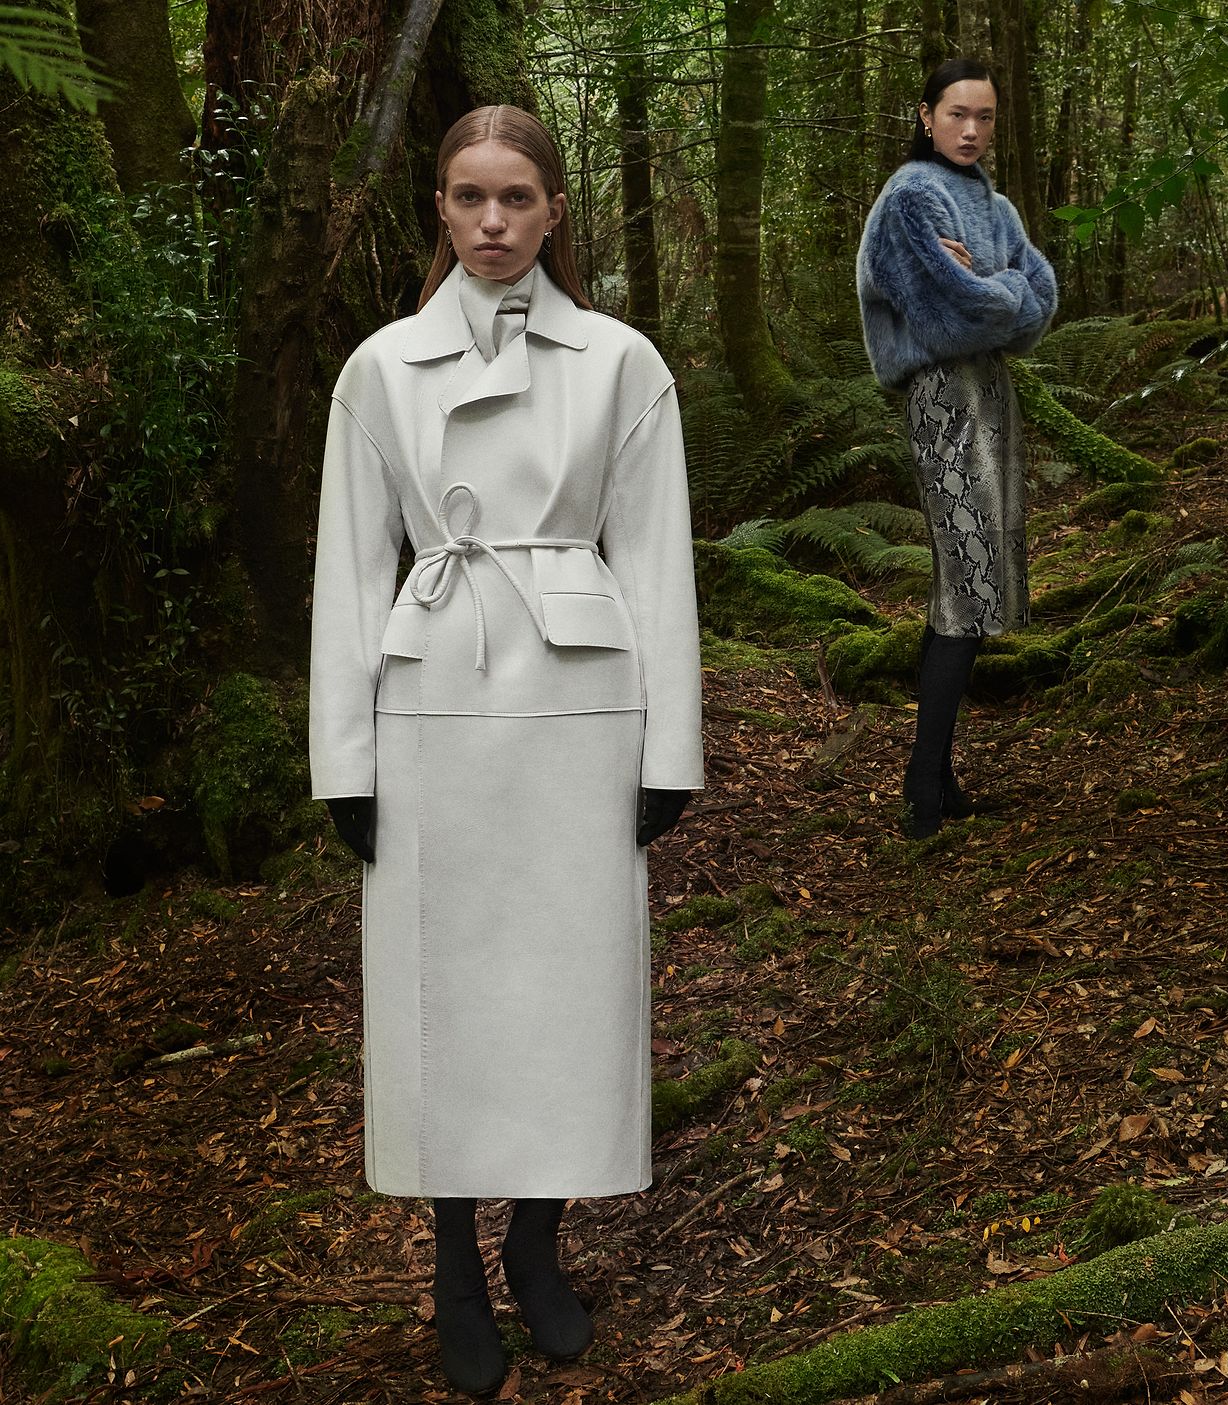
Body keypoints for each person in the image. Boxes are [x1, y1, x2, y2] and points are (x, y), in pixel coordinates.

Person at [307, 105, 704, 1396]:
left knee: (570, 997)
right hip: (430, 701)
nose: (491, 223)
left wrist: (670, 749)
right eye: (469, 196)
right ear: (439, 205)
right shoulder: (378, 369)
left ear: (554, 212)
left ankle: (539, 1239)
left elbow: (654, 555)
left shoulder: (622, 364)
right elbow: (350, 575)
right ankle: (450, 1263)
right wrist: (345, 764)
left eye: (516, 198)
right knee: (443, 1002)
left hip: (580, 701)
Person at [856, 56, 1058, 838]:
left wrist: (995, 285)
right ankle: (921, 787)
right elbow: (954, 312)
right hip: (944, 398)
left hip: (994, 397)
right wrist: (999, 289)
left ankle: (936, 775)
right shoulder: (911, 197)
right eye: (956, 114)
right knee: (967, 585)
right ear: (925, 115)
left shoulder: (994, 204)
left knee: (971, 584)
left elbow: (1039, 303)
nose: (971, 130)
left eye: (985, 116)